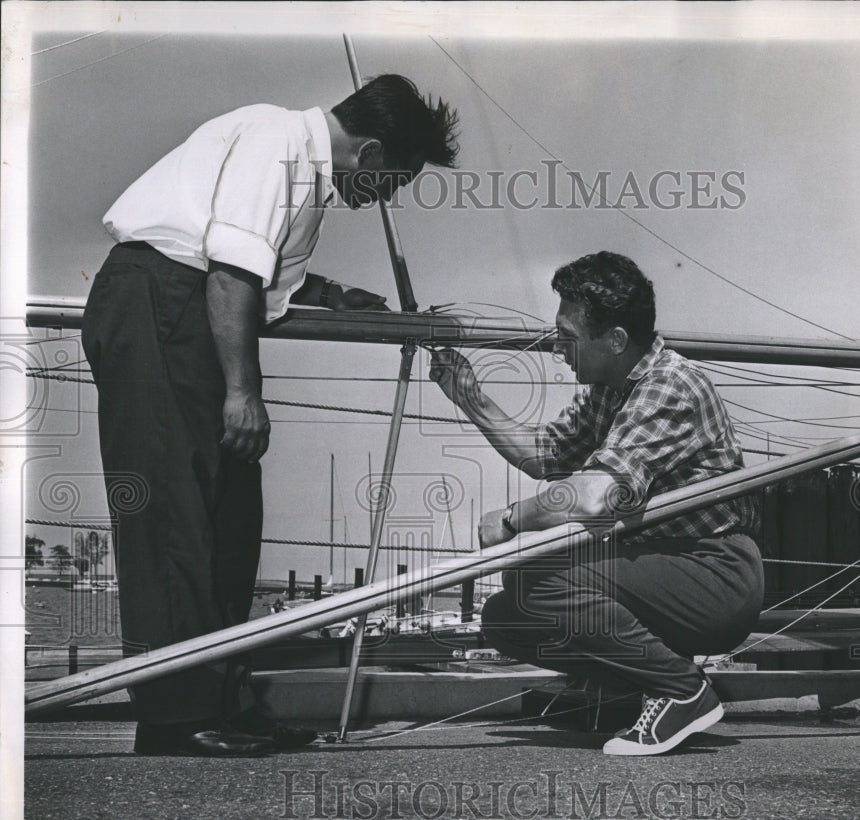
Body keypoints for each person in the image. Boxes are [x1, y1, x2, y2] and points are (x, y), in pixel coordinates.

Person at [82, 75, 459, 757]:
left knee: (228, 518)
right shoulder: (277, 142)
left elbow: (270, 279)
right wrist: (242, 392)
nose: (388, 197)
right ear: (371, 153)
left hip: (199, 311)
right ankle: (177, 714)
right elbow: (231, 275)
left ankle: (222, 700)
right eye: (396, 180)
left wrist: (343, 297)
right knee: (174, 514)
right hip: (161, 300)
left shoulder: (306, 180)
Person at [429, 251, 762, 756]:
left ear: (616, 340)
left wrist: (512, 519)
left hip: (713, 571)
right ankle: (631, 687)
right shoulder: (611, 387)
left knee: (536, 578)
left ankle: (682, 691)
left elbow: (593, 497)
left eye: (566, 336)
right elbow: (544, 456)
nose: (557, 350)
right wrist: (469, 397)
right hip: (662, 564)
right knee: (505, 616)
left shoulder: (669, 386)